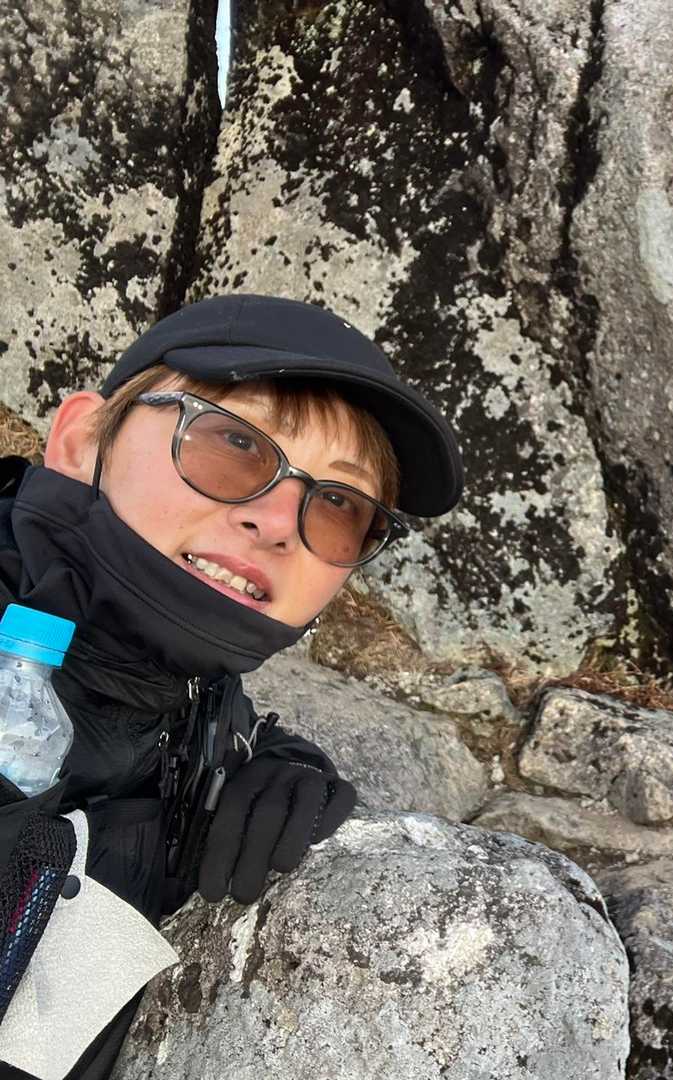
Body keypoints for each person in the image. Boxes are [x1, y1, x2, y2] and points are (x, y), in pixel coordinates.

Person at [0, 294, 464, 1078]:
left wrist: (283, 763)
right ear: (81, 442)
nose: (279, 520)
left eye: (339, 504)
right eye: (234, 443)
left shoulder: (187, 712)